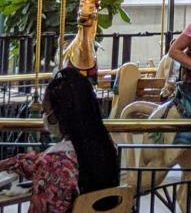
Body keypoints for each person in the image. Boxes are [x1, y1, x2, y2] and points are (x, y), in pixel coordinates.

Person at [0, 70, 119, 213]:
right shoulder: (107, 146)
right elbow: (39, 162)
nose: (45, 117)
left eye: (46, 111)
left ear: (61, 114)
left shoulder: (55, 163)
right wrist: (9, 164)